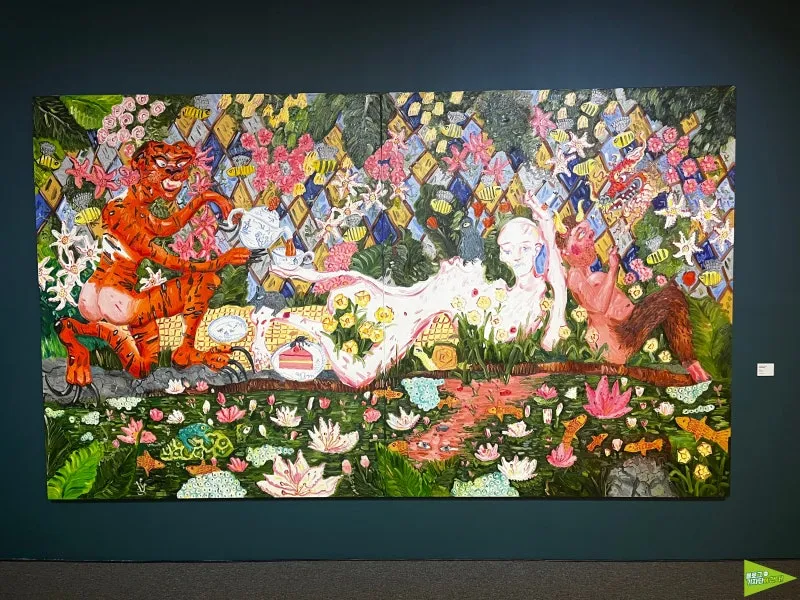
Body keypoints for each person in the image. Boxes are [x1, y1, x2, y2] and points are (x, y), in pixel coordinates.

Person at [267, 192, 568, 387]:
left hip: (455, 302)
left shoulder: (543, 296)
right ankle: (307, 295)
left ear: (538, 248)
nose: (516, 257)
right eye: (507, 249)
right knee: (383, 317)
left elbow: (554, 310)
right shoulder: (502, 288)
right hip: (450, 297)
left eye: (525, 248)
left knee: (364, 367)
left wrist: (548, 231)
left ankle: (309, 320)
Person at [556, 214, 710, 383]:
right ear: (565, 251)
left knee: (671, 298)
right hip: (619, 338)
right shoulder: (575, 276)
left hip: (628, 329)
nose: (590, 240)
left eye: (589, 234)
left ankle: (690, 363)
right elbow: (599, 306)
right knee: (670, 298)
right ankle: (691, 364)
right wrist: (613, 268)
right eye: (581, 235)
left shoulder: (590, 274)